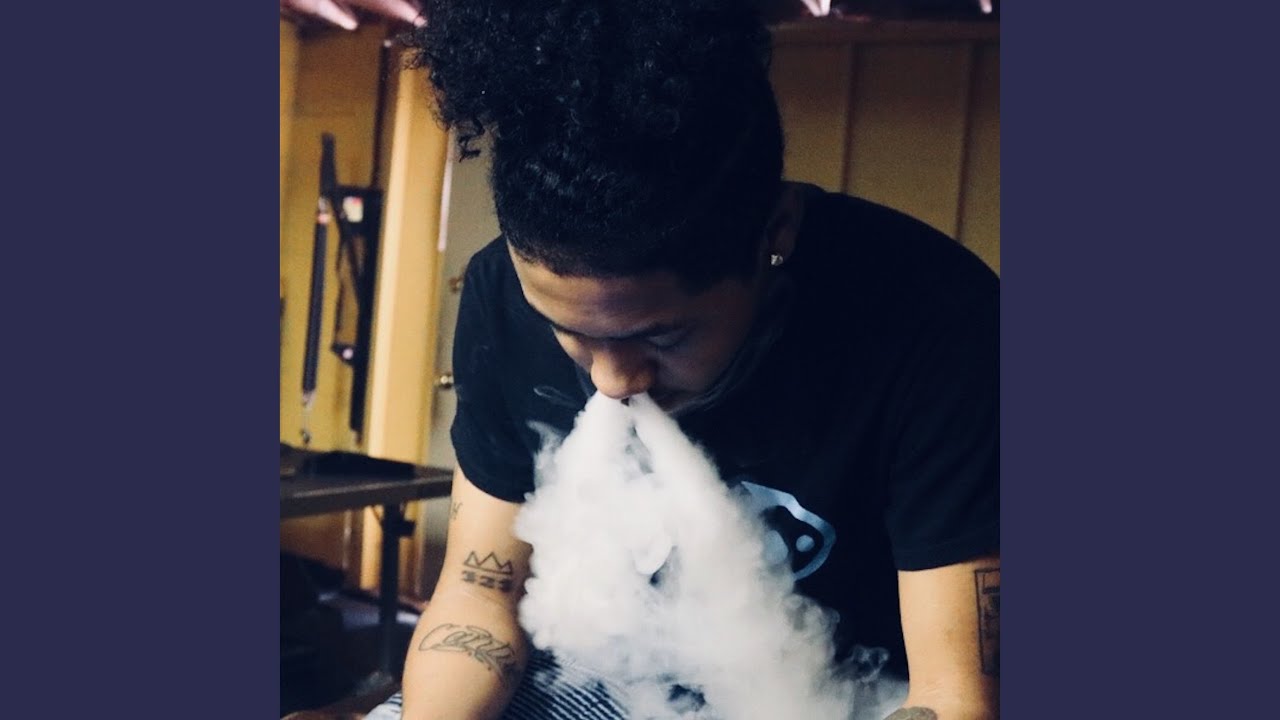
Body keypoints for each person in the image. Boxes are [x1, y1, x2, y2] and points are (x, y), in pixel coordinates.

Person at [376, 1, 1000, 718]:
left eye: (661, 338)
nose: (612, 383)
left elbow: (953, 696)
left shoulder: (940, 320)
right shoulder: (500, 291)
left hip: (843, 696)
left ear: (776, 235)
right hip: (606, 673)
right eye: (568, 332)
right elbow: (479, 596)